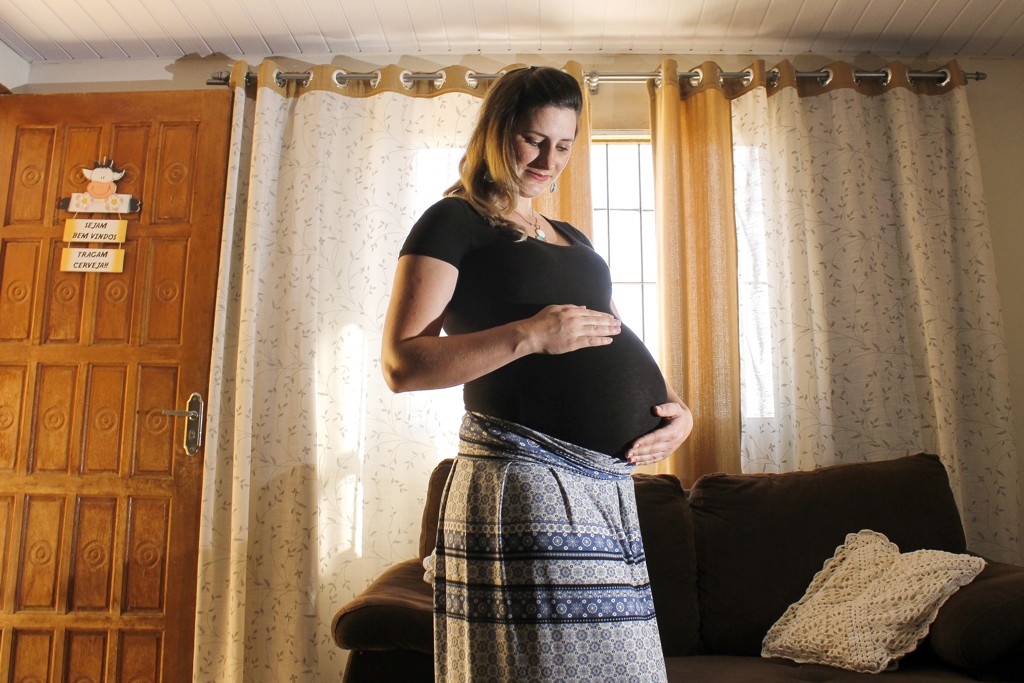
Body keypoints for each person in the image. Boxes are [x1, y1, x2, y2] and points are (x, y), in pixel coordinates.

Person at [382, 66, 693, 682]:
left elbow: (614, 332)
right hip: (524, 477)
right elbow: (403, 363)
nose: (550, 159)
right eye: (534, 139)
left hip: (604, 488)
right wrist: (529, 335)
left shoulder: (569, 237)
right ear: (497, 132)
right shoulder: (454, 220)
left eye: (565, 144)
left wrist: (676, 409)